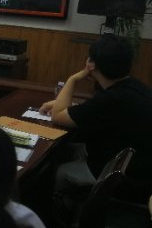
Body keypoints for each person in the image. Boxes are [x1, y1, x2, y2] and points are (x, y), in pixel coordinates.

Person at [39, 33, 152, 206]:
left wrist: (73, 79)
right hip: (137, 166)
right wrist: (63, 105)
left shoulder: (111, 99)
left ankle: (59, 215)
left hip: (125, 177)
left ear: (91, 64)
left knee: (57, 172)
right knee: (68, 150)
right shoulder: (134, 87)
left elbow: (58, 116)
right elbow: (95, 109)